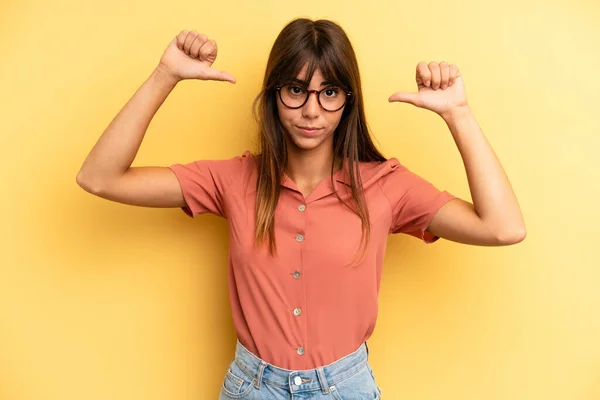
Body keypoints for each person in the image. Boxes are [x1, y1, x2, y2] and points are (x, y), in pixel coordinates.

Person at [76, 17, 526, 400]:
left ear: (348, 101)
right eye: (296, 90)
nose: (312, 110)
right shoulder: (232, 179)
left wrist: (458, 113)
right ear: (274, 94)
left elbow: (503, 228)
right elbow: (100, 177)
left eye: (329, 92)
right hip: (253, 387)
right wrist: (165, 74)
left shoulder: (387, 185)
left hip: (345, 387)